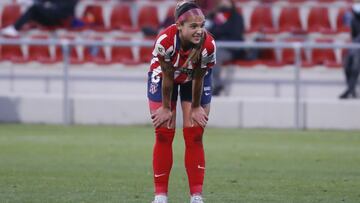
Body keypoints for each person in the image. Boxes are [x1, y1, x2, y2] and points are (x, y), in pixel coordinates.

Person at [147, 1, 216, 203]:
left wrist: (195, 107)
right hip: (163, 76)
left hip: (194, 77)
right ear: (179, 26)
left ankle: (196, 196)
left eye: (202, 25)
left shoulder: (208, 45)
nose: (199, 31)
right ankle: (160, 196)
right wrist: (167, 108)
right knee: (163, 133)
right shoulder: (165, 41)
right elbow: (168, 75)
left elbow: (200, 75)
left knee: (195, 134)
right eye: (193, 26)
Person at [206, 0, 245, 96]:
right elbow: (210, 32)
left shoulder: (236, 17)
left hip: (230, 49)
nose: (224, 4)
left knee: (215, 56)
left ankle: (217, 84)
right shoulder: (216, 17)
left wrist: (220, 31)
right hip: (217, 47)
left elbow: (235, 34)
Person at [1, 0, 78, 37]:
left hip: (61, 20)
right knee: (33, 11)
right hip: (53, 17)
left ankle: (15, 28)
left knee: (34, 8)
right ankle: (16, 28)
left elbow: (61, 10)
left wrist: (42, 6)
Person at [340, 3, 360, 99]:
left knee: (355, 68)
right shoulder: (353, 20)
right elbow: (353, 35)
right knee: (347, 66)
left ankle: (349, 90)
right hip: (355, 46)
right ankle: (351, 89)